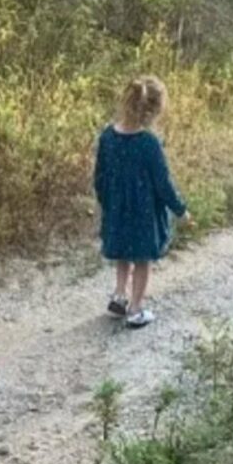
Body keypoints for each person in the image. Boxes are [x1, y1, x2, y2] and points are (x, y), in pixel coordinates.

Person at [94, 75, 191, 328]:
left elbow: (100, 176)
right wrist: (180, 209)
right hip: (144, 213)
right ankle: (136, 309)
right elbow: (163, 183)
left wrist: (106, 202)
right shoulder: (149, 143)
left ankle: (118, 297)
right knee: (143, 259)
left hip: (117, 208)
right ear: (155, 110)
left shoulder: (107, 136)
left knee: (123, 254)